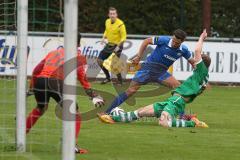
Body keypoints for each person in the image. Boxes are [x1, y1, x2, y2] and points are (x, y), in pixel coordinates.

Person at [100, 29, 210, 128]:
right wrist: (139, 56)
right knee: (130, 91)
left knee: (179, 88)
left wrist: (202, 77)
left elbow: (193, 62)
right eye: (174, 41)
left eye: (178, 43)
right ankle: (107, 111)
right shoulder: (163, 40)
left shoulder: (183, 50)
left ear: (182, 42)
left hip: (161, 72)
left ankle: (181, 116)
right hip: (147, 68)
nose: (175, 43)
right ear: (172, 37)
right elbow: (146, 41)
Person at [26, 34, 104, 154]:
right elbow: (82, 77)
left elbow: (36, 70)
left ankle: (21, 134)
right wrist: (92, 95)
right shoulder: (77, 56)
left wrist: (31, 88)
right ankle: (71, 145)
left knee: (41, 108)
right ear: (78, 44)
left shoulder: (53, 52)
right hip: (55, 82)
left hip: (40, 81)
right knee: (75, 112)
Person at [97, 7, 127, 85]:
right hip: (109, 44)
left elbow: (124, 37)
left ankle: (120, 81)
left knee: (114, 63)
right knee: (99, 60)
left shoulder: (120, 24)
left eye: (114, 14)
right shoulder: (107, 21)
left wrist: (118, 46)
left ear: (116, 15)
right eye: (111, 14)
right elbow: (106, 30)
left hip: (118, 45)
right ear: (108, 15)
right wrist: (103, 37)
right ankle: (108, 78)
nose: (112, 15)